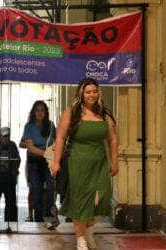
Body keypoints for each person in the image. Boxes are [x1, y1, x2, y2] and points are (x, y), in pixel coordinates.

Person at [50, 78, 119, 250]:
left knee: (101, 198)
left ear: (99, 93)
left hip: (99, 163)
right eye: (88, 92)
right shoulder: (71, 113)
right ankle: (81, 239)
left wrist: (115, 161)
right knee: (80, 200)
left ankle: (87, 230)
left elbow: (112, 139)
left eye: (94, 91)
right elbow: (60, 138)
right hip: (77, 162)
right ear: (81, 93)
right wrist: (56, 162)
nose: (92, 95)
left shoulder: (104, 114)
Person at [22, 100, 55, 222]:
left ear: (46, 112)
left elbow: (57, 141)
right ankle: (38, 218)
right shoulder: (29, 126)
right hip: (34, 162)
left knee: (51, 187)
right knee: (36, 189)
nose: (40, 113)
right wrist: (46, 153)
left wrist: (54, 152)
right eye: (37, 110)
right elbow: (30, 147)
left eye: (42, 110)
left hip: (48, 163)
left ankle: (49, 214)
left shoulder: (51, 125)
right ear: (33, 112)